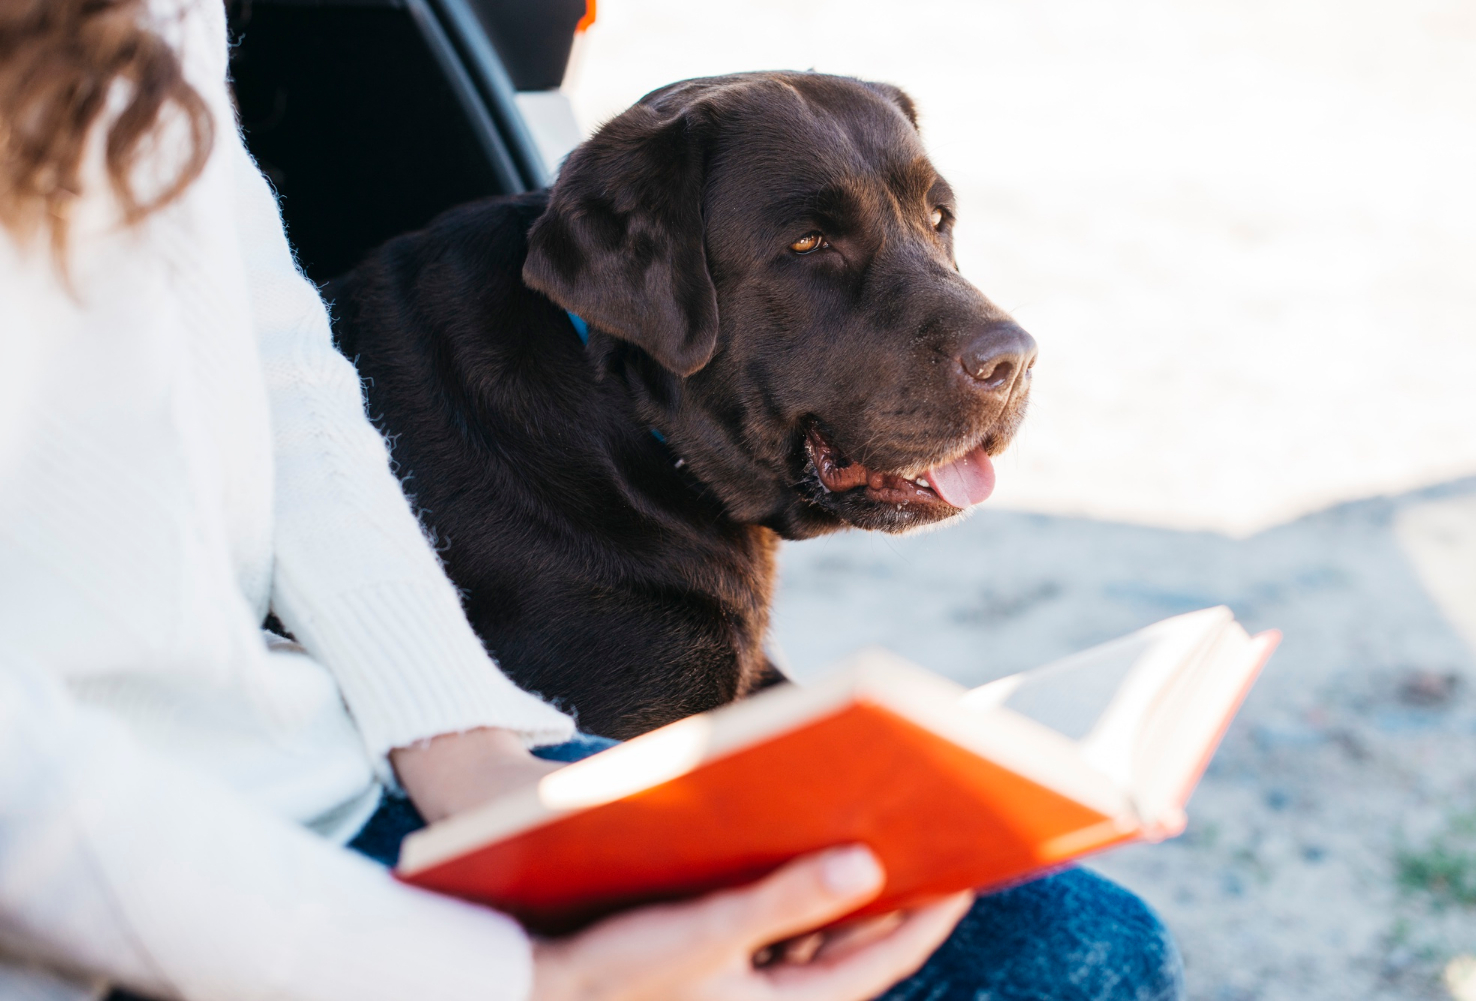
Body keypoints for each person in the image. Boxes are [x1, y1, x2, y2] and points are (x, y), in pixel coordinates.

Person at [0, 1, 1184, 999]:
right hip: (139, 882)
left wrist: (461, 740)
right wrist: (509, 979)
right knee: (1073, 955)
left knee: (1074, 923)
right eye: (816, 245)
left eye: (932, 220)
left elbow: (264, 351)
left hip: (305, 749)